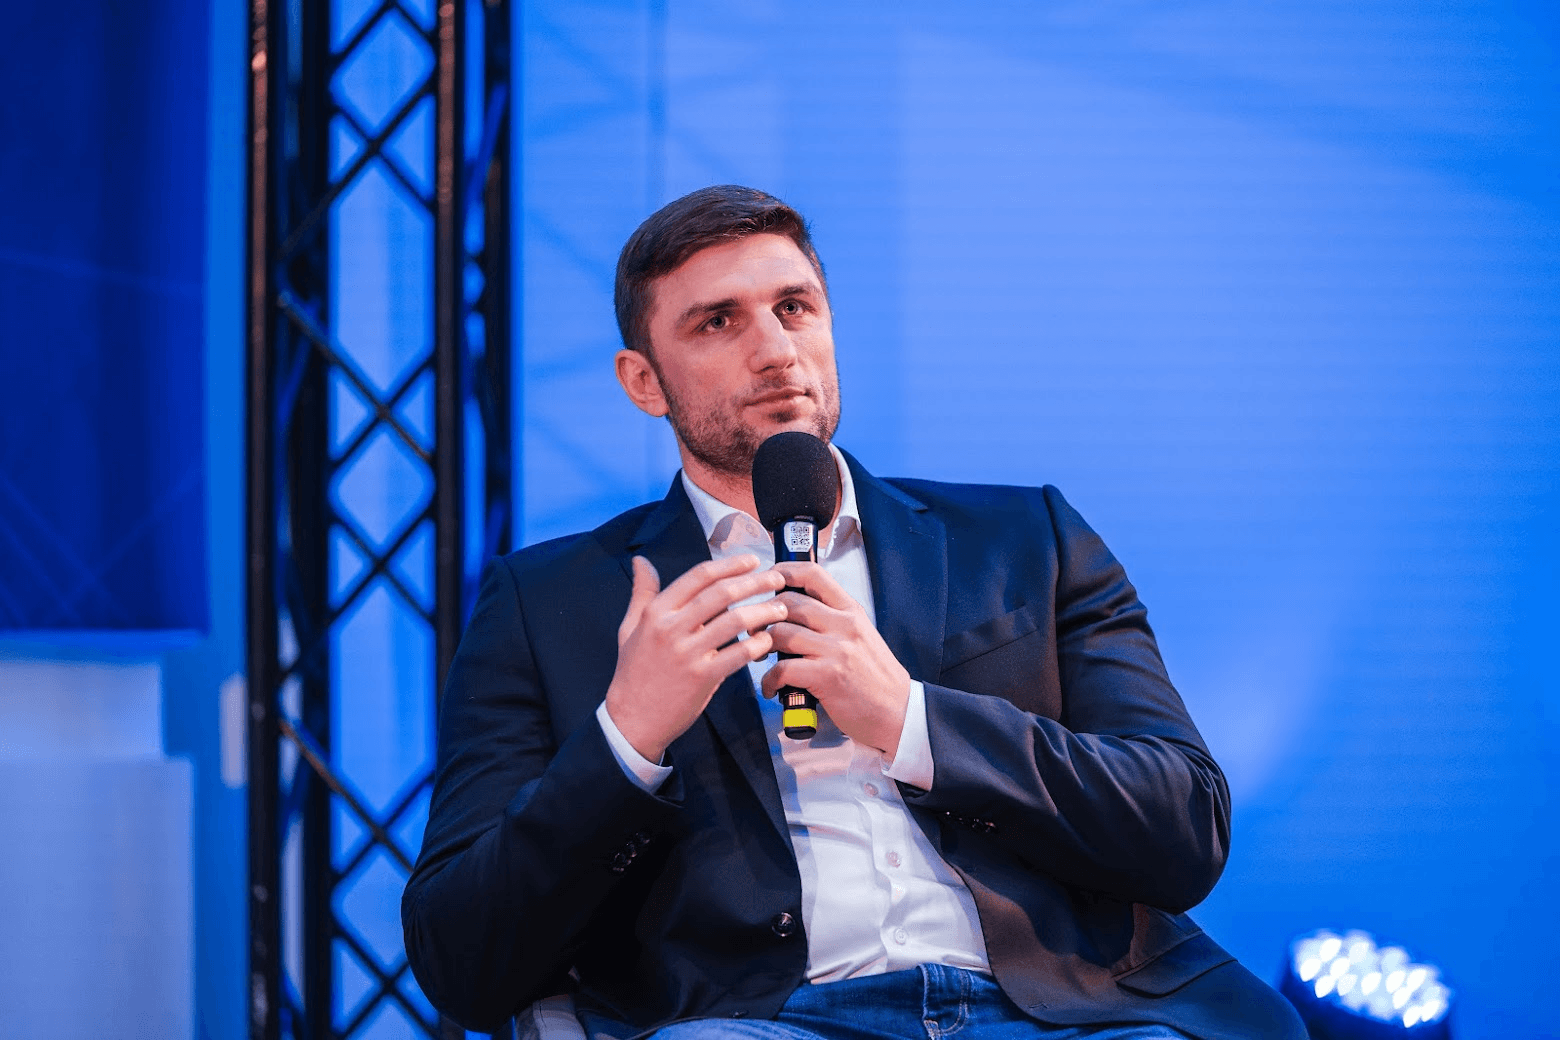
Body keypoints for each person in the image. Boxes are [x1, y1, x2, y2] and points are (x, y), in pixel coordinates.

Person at [402, 185, 1305, 1040]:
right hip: (763, 1019)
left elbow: (1184, 828)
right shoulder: (551, 601)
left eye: (795, 307)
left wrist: (912, 721)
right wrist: (625, 740)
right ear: (644, 381)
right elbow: (462, 959)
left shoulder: (1023, 539)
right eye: (719, 321)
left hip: (1067, 1013)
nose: (775, 351)